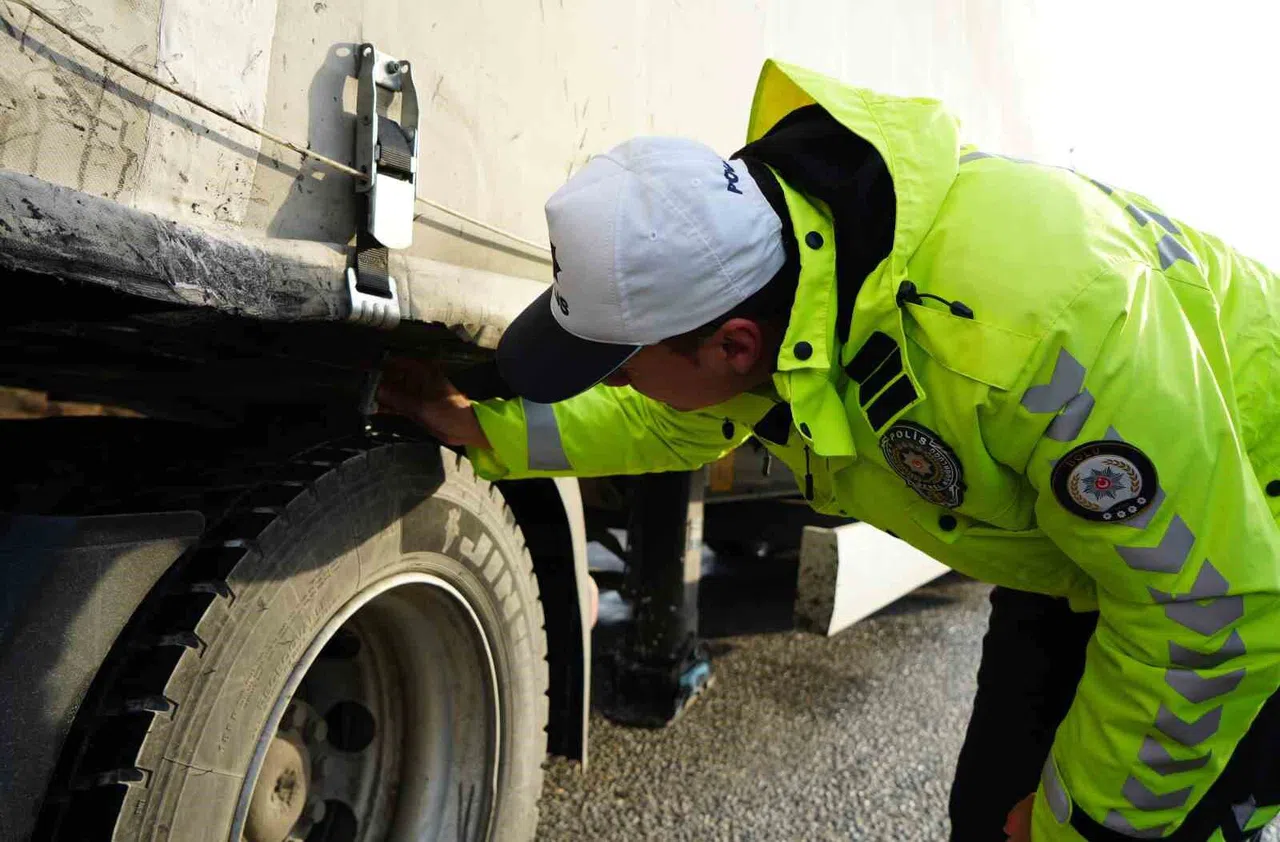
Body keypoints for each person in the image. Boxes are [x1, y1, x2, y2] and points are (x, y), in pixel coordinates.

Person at [375, 60, 1280, 841]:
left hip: (1248, 551)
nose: (618, 387)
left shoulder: (1027, 338)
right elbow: (670, 422)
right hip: (1101, 560)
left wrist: (1080, 829)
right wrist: (482, 427)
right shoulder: (793, 283)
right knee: (990, 814)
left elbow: (1210, 611)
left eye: (622, 369)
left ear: (732, 344)